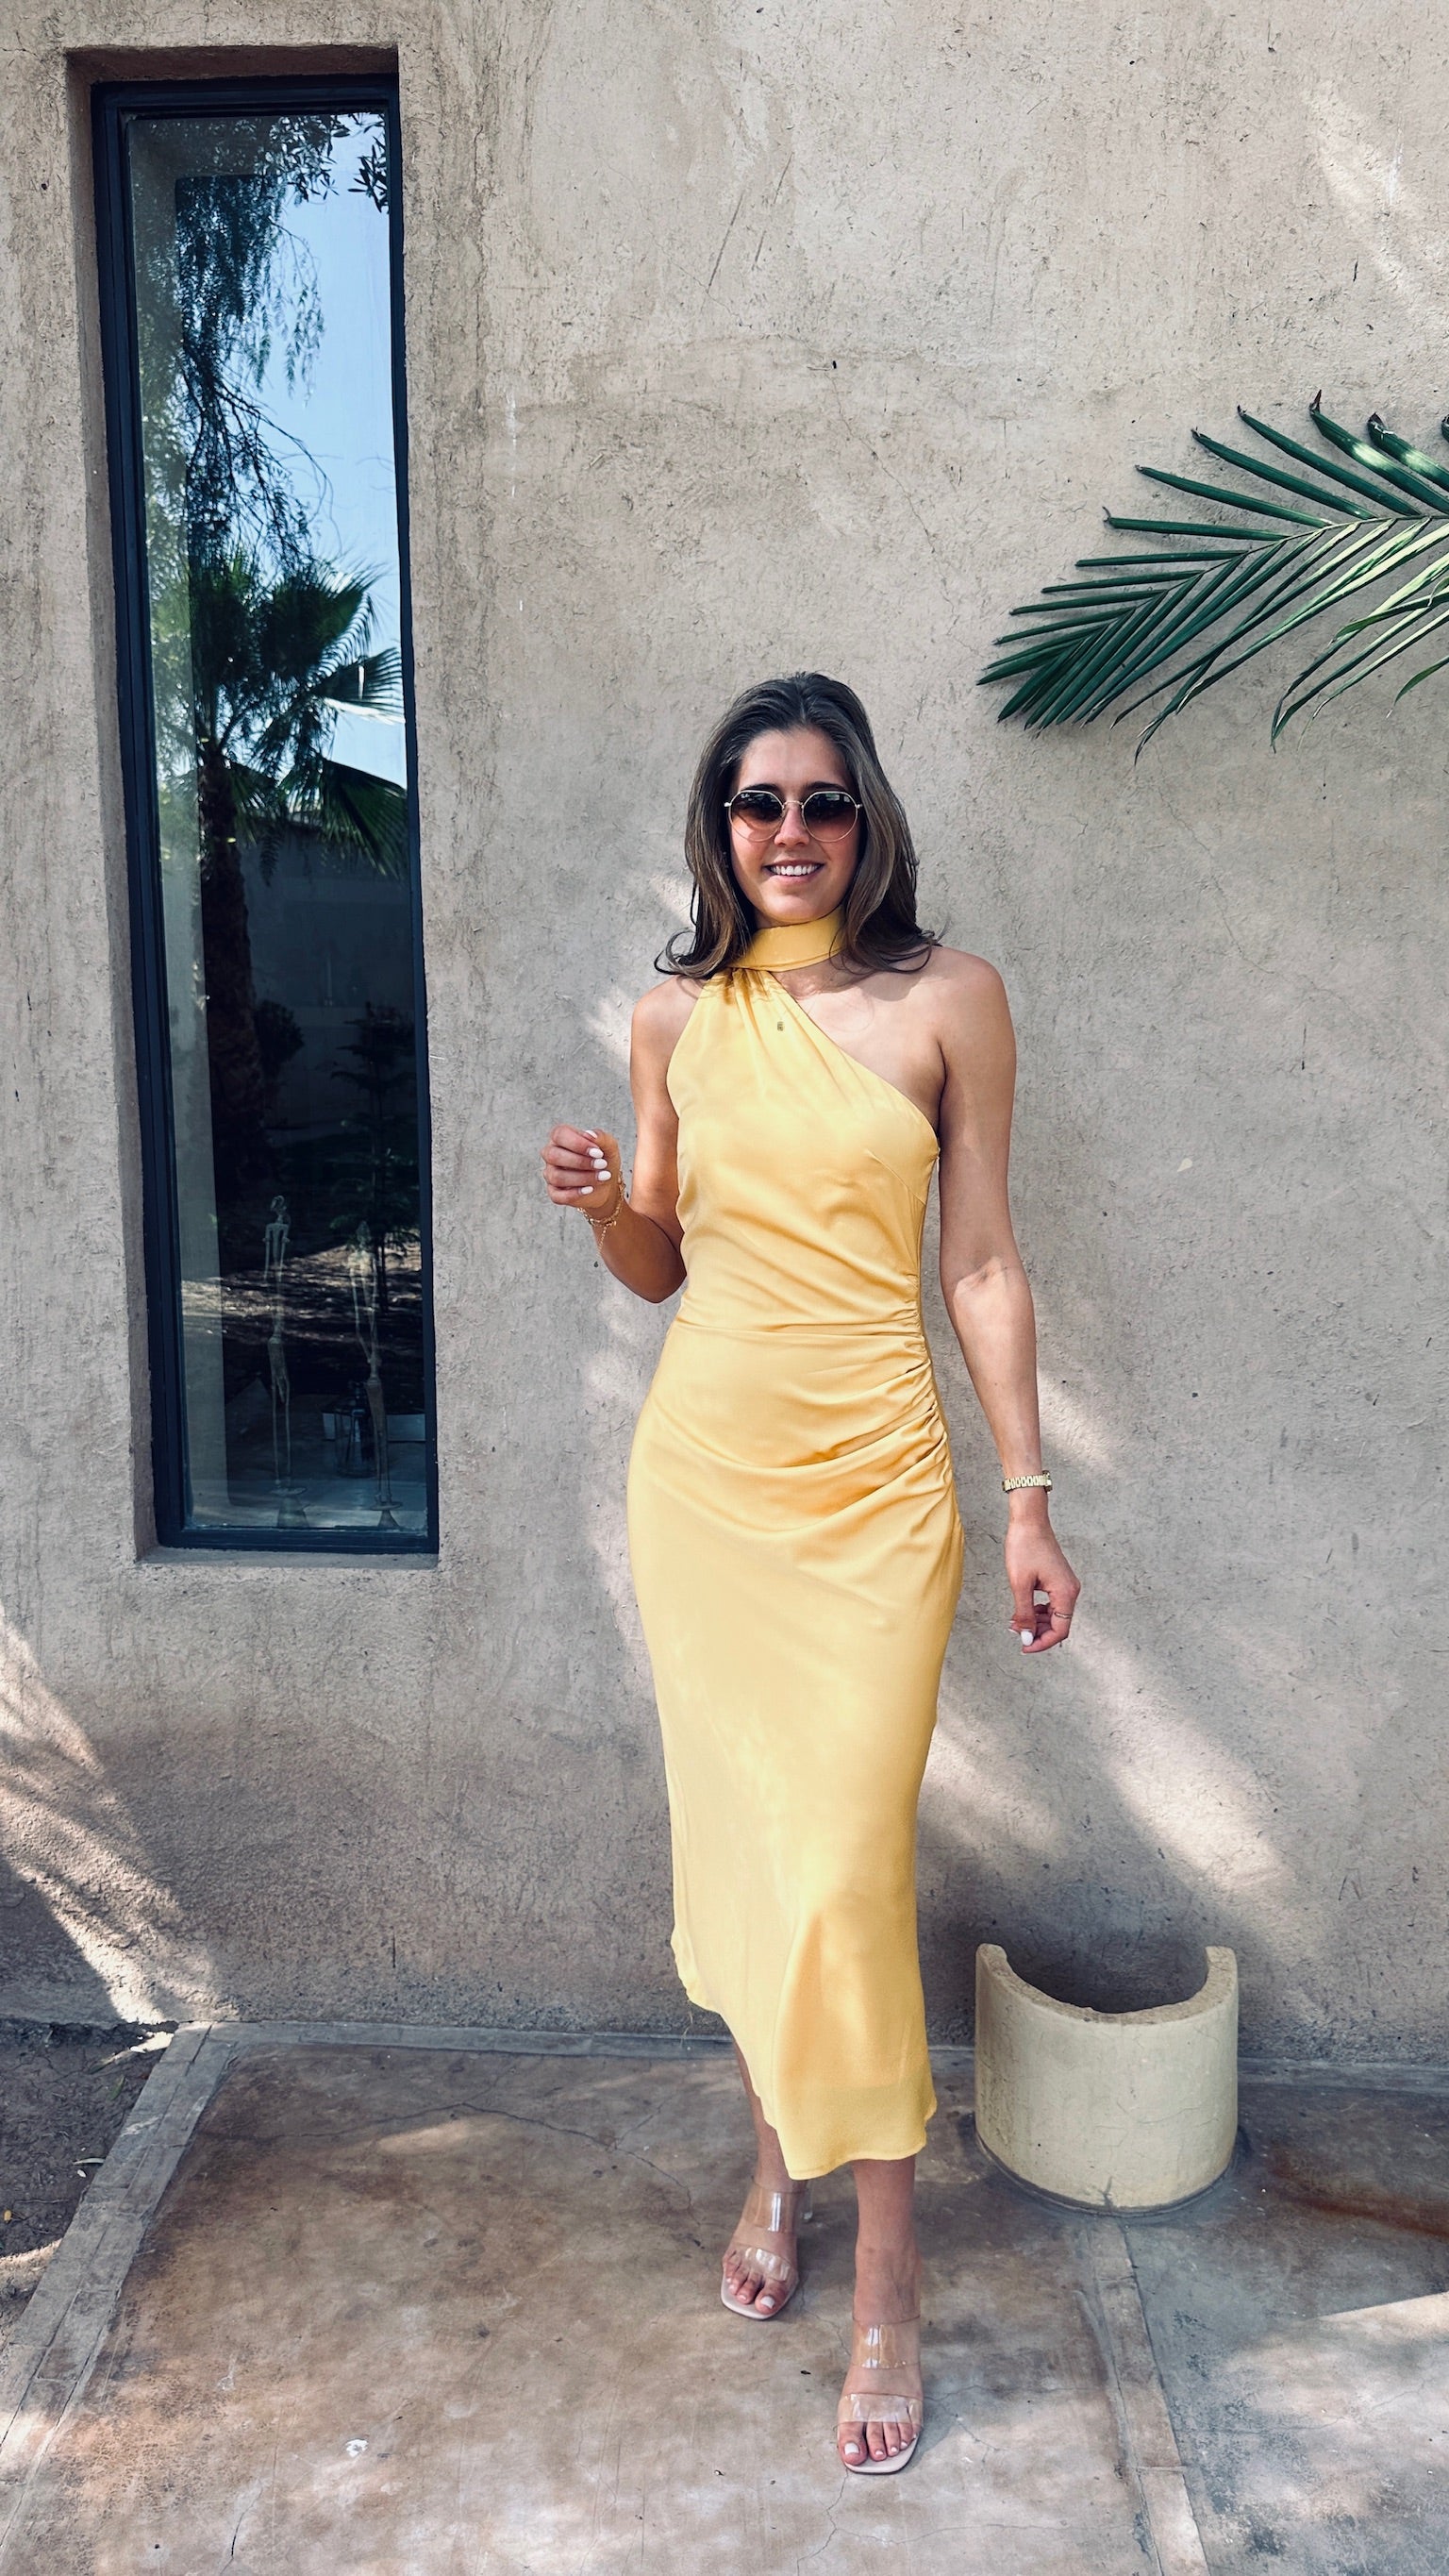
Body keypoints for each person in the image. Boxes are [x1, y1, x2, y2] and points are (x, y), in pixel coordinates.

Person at [541, 673, 1079, 2472]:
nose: (791, 830)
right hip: (707, 1489)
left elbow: (979, 1263)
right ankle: (777, 2160)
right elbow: (661, 1265)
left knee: (844, 1865)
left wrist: (1029, 1496)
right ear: (721, 826)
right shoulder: (673, 1017)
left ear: (869, 821)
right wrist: (606, 1202)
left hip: (880, 1494)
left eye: (823, 800)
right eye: (758, 801)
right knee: (761, 1853)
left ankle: (890, 2279)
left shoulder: (951, 999)